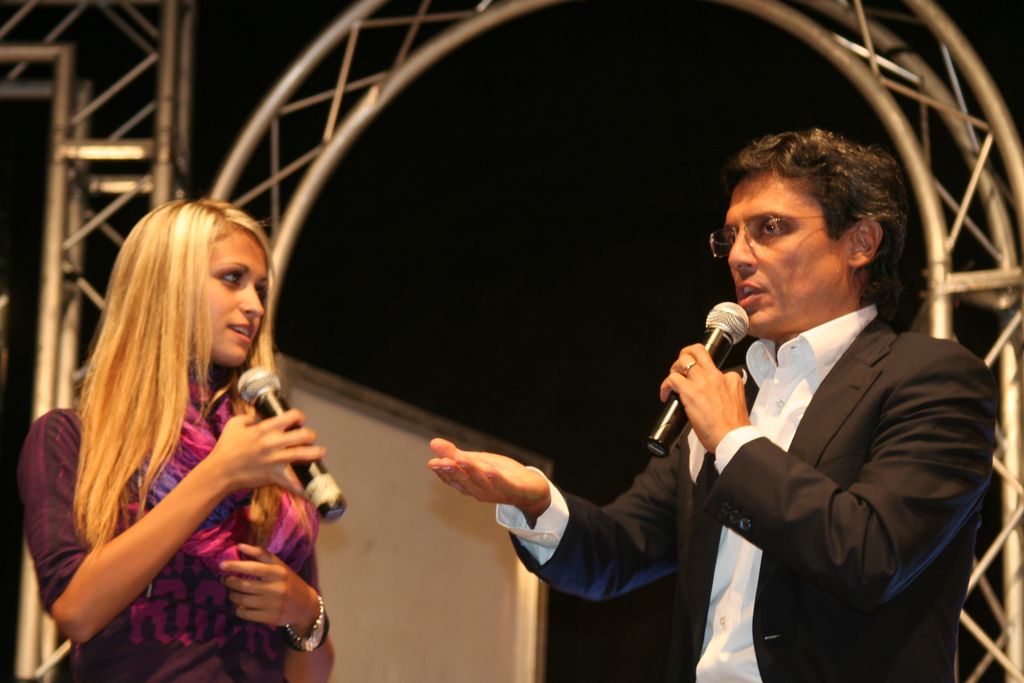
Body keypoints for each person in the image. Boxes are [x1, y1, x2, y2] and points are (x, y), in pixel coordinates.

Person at [427, 129, 998, 682]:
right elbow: (619, 552)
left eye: (770, 228)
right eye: (730, 237)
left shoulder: (932, 379)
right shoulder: (733, 395)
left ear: (860, 243)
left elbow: (872, 555)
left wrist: (732, 439)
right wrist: (537, 503)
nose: (739, 257)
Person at [18, 199, 334, 682]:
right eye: (232, 278)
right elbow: (77, 611)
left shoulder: (260, 452)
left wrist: (305, 611)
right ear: (168, 285)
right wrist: (218, 475)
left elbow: (311, 674)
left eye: (260, 289)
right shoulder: (73, 440)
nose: (254, 306)